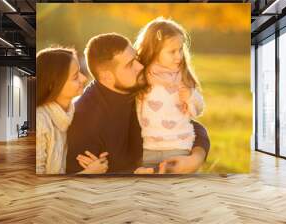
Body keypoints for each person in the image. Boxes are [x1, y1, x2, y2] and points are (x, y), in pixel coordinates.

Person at [66, 33, 210, 174]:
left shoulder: (139, 91)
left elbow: (190, 127)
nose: (140, 66)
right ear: (107, 77)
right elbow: (84, 187)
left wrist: (195, 159)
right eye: (129, 64)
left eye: (136, 58)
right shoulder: (84, 120)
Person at [133, 17, 205, 172]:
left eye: (180, 50)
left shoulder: (183, 77)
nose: (179, 56)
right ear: (153, 51)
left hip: (179, 147)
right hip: (149, 149)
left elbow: (199, 109)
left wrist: (191, 97)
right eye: (172, 51)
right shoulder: (142, 78)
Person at [36, 47, 108, 174]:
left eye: (80, 72)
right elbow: (36, 183)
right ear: (53, 85)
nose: (84, 79)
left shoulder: (75, 111)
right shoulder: (40, 121)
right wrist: (88, 173)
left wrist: (98, 160)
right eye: (75, 77)